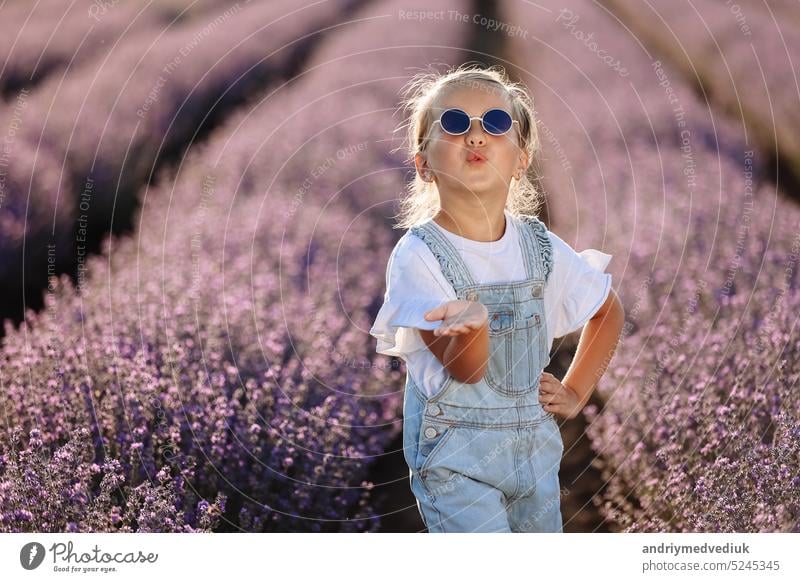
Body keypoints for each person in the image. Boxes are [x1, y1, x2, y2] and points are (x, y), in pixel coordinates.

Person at [370, 64, 625, 533]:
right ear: (423, 164)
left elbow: (607, 311)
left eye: (496, 123)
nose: (475, 136)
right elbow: (465, 371)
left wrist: (574, 391)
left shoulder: (539, 247)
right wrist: (471, 328)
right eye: (453, 124)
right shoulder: (420, 256)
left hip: (535, 453)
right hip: (456, 460)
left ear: (522, 159)